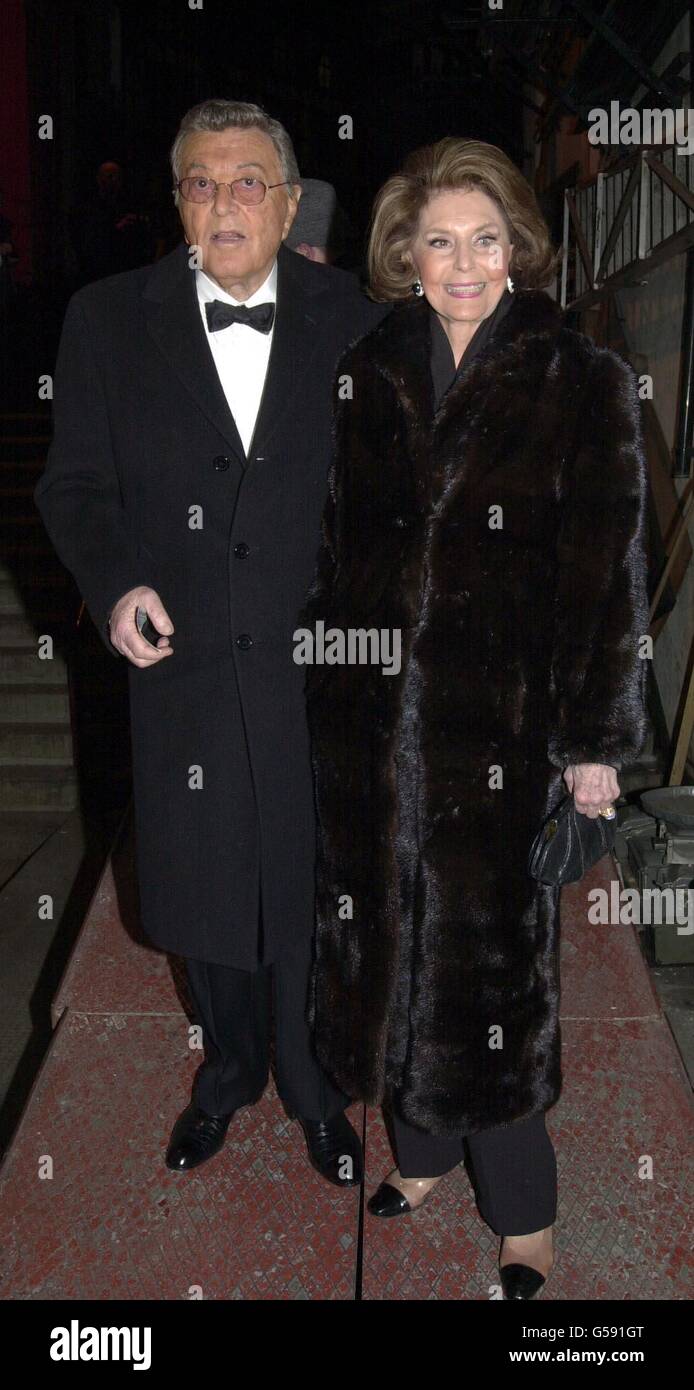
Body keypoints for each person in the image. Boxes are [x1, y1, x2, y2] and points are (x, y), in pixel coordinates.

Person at [301, 137, 650, 1298]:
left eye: (483, 239)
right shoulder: (367, 367)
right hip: (368, 726)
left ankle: (527, 1214)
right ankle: (427, 1154)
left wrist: (597, 747)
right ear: (404, 251)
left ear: (517, 248)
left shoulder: (579, 377)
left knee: (487, 976)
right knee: (381, 949)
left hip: (499, 733)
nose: (460, 263)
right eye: (438, 240)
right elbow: (336, 549)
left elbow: (607, 579)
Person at [34, 99, 386, 1189]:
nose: (222, 202)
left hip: (318, 668)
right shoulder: (104, 320)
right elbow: (76, 486)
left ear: (287, 202)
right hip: (179, 661)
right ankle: (228, 1070)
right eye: (199, 181)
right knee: (203, 888)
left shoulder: (362, 319)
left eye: (246, 183)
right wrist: (115, 581)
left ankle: (316, 1087)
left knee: (307, 880)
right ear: (175, 202)